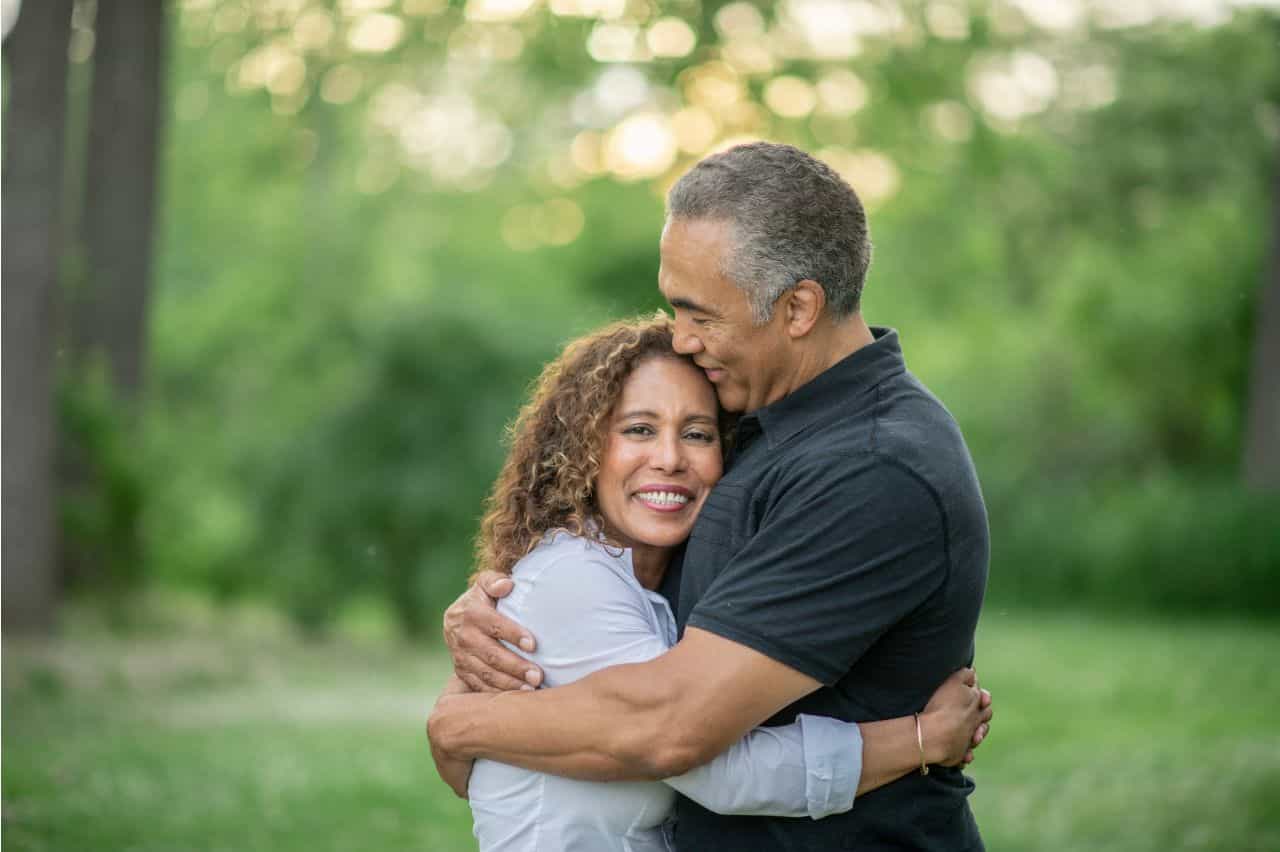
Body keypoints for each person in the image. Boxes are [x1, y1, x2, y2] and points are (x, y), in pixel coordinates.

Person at [430, 142, 991, 850]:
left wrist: (458, 724)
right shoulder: (760, 421)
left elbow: (672, 728)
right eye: (675, 309)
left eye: (700, 314)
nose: (682, 339)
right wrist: (497, 606)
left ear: (797, 308)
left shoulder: (870, 467)